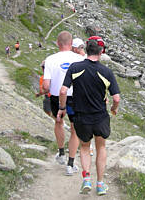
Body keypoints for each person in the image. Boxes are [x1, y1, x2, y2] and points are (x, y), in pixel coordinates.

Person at [58, 37, 120, 195]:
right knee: (101, 147)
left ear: (86, 49)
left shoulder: (75, 67)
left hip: (81, 116)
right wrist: (113, 108)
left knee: (85, 147)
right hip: (100, 116)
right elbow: (116, 98)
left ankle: (86, 178)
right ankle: (100, 184)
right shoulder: (106, 72)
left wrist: (62, 108)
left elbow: (63, 91)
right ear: (101, 52)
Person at [42, 31, 84, 175]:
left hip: (56, 96)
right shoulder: (80, 59)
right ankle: (70, 164)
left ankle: (61, 153)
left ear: (57, 43)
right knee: (75, 129)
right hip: (75, 97)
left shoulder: (50, 59)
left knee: (58, 122)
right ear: (71, 43)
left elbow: (46, 86)